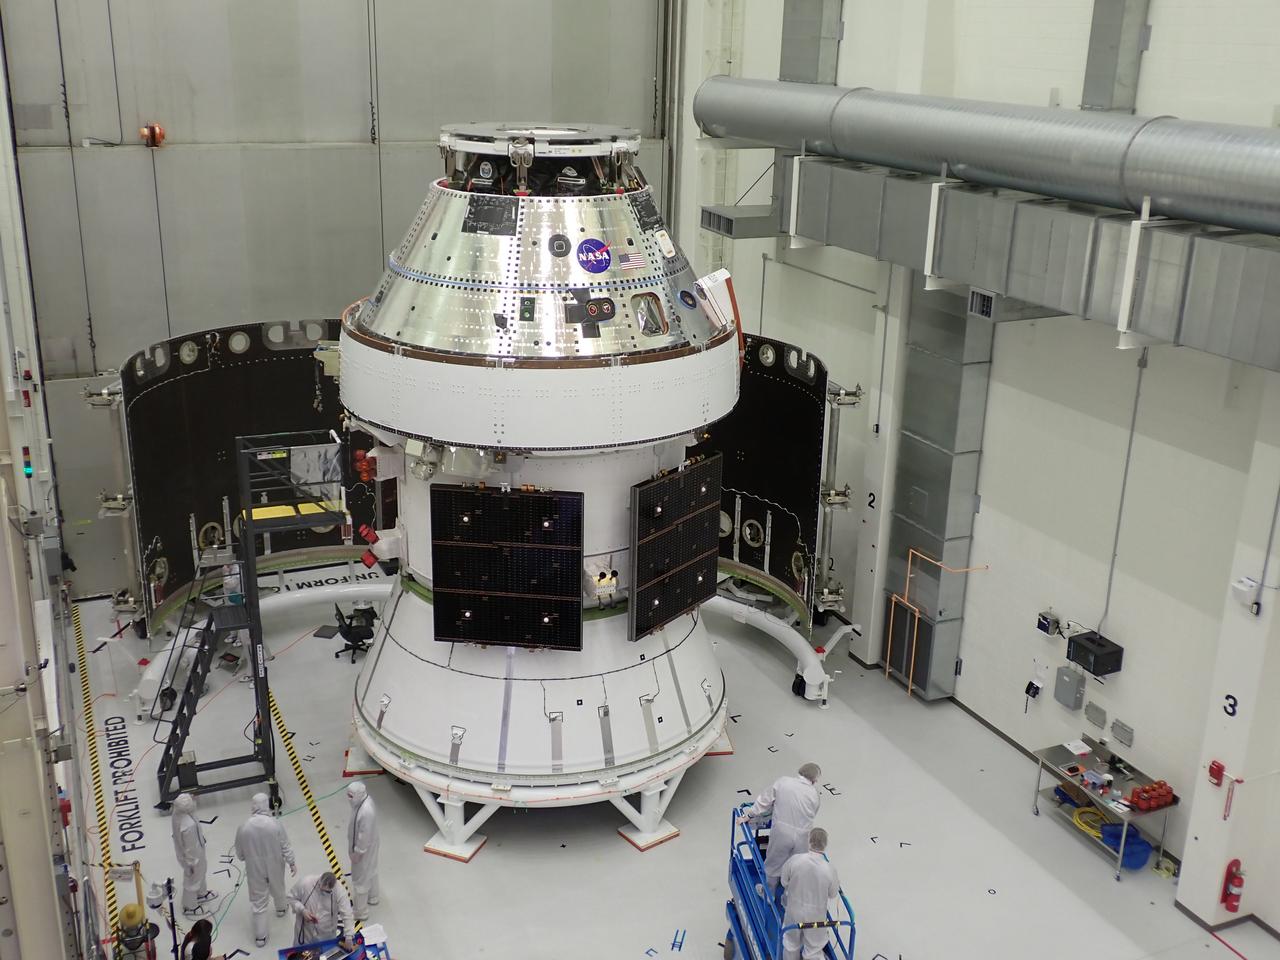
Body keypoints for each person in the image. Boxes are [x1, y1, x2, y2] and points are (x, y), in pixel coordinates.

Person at [746, 762, 822, 894]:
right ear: (814, 780)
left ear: (799, 771)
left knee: (773, 863)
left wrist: (749, 815)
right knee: (796, 868)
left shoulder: (784, 782)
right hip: (804, 836)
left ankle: (768, 893)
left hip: (782, 833)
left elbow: (764, 800)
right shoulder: (815, 794)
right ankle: (788, 899)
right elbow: (813, 813)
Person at [234, 793, 297, 948]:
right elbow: (285, 845)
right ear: (266, 805)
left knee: (258, 901)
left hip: (254, 868)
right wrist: (291, 862)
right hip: (275, 864)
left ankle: (260, 937)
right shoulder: (275, 824)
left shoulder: (244, 827)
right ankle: (281, 909)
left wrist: (247, 857)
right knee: (278, 887)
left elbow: (240, 853)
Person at [779, 828, 840, 960]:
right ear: (825, 845)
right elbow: (833, 894)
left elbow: (784, 882)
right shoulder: (830, 869)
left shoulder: (795, 860)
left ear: (809, 841)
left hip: (794, 911)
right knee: (813, 950)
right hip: (816, 916)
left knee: (791, 943)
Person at [171, 793, 216, 917]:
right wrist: (191, 864)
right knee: (193, 879)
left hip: (195, 853)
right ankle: (189, 906)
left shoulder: (178, 813)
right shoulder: (188, 826)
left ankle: (201, 893)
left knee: (201, 872)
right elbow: (191, 848)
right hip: (193, 857)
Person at [289, 871, 354, 946]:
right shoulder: (305, 883)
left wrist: (349, 935)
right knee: (300, 952)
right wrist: (302, 910)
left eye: (326, 891)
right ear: (319, 881)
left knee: (326, 952)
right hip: (305, 931)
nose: (322, 892)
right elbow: (291, 898)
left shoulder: (340, 891)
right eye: (320, 888)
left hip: (326, 934)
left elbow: (347, 913)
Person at [347, 780, 380, 920]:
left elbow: (363, 835)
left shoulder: (365, 812)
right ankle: (373, 896)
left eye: (351, 796)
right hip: (371, 845)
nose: (348, 799)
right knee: (371, 870)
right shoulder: (364, 801)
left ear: (359, 795)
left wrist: (358, 853)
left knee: (360, 879)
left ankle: (360, 912)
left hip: (364, 849)